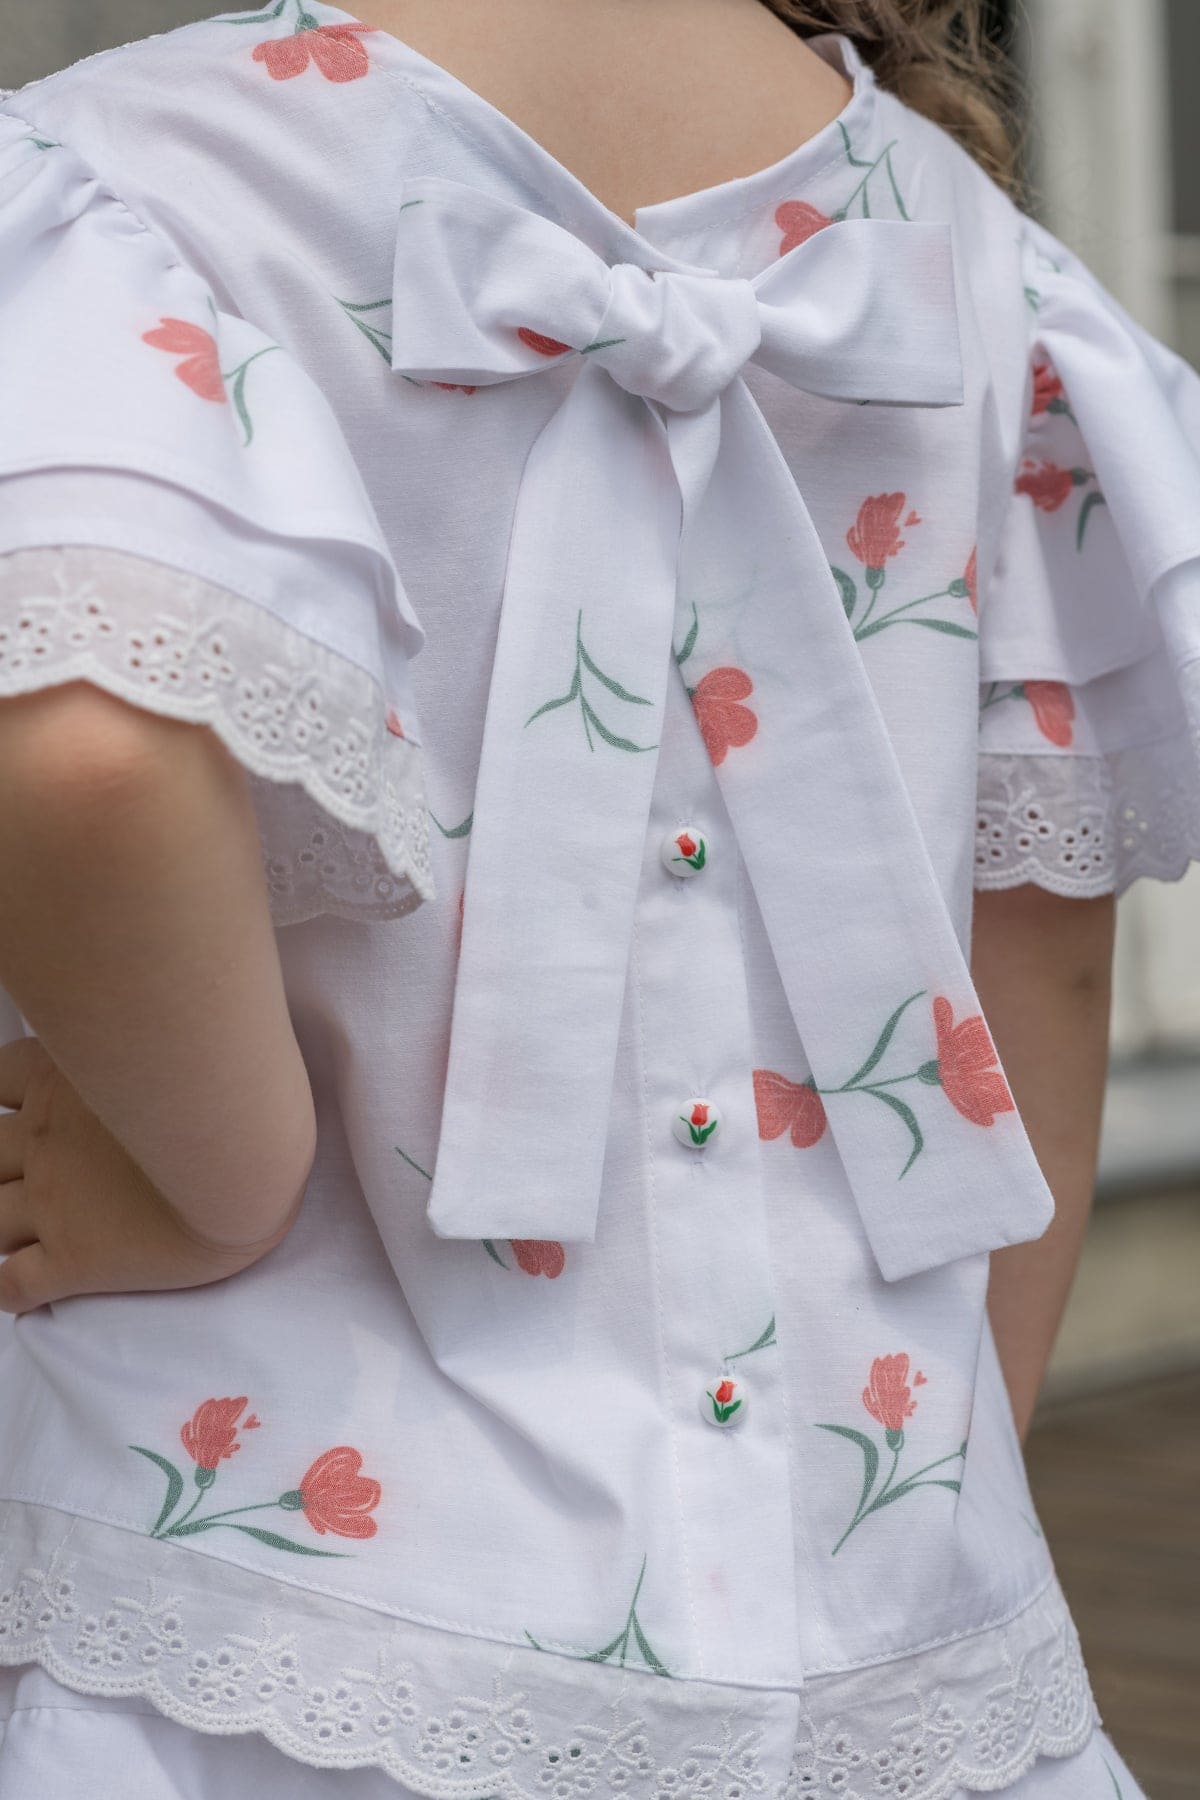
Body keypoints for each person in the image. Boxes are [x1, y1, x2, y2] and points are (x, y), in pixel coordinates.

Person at [0, 0, 1193, 1794]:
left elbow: (79, 757)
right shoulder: (966, 252)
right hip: (881, 1649)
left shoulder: (136, 176)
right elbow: (1043, 930)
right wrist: (941, 1484)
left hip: (301, 1605)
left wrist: (227, 1187)